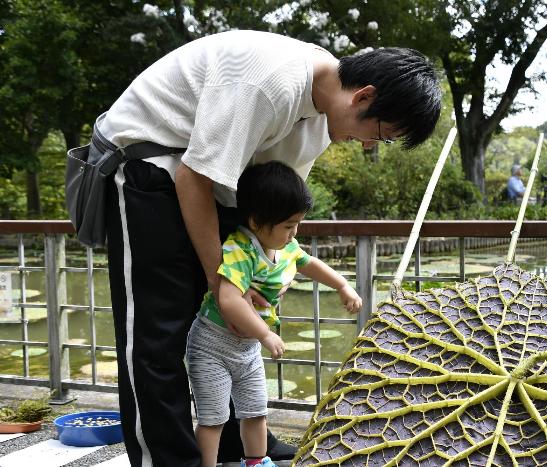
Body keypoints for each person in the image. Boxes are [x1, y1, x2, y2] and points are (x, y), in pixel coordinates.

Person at [90, 30, 441, 466]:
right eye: (381, 133)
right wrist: (225, 282)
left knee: (228, 321)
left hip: (211, 181)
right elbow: (192, 177)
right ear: (364, 95)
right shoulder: (269, 83)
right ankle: (168, 458)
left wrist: (249, 280)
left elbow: (265, 206)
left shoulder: (322, 120)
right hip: (151, 163)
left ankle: (242, 444)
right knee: (158, 330)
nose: (370, 145)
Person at [186, 161, 362, 467]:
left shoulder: (286, 247)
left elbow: (308, 263)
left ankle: (257, 462)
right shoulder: (240, 248)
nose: (294, 233)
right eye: (288, 226)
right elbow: (229, 300)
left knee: (256, 411)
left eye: (297, 224)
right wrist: (266, 333)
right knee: (213, 417)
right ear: (256, 222)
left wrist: (343, 285)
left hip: (248, 348)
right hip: (212, 346)